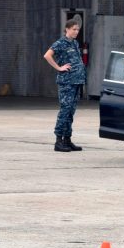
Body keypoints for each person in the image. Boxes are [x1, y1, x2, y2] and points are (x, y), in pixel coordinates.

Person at [43, 19, 86, 152]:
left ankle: (67, 140)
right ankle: (58, 141)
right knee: (65, 111)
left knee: (71, 112)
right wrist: (59, 67)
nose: (76, 32)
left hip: (76, 82)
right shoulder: (60, 43)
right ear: (67, 29)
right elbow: (47, 55)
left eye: (77, 29)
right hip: (67, 82)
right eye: (74, 29)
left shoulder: (75, 43)